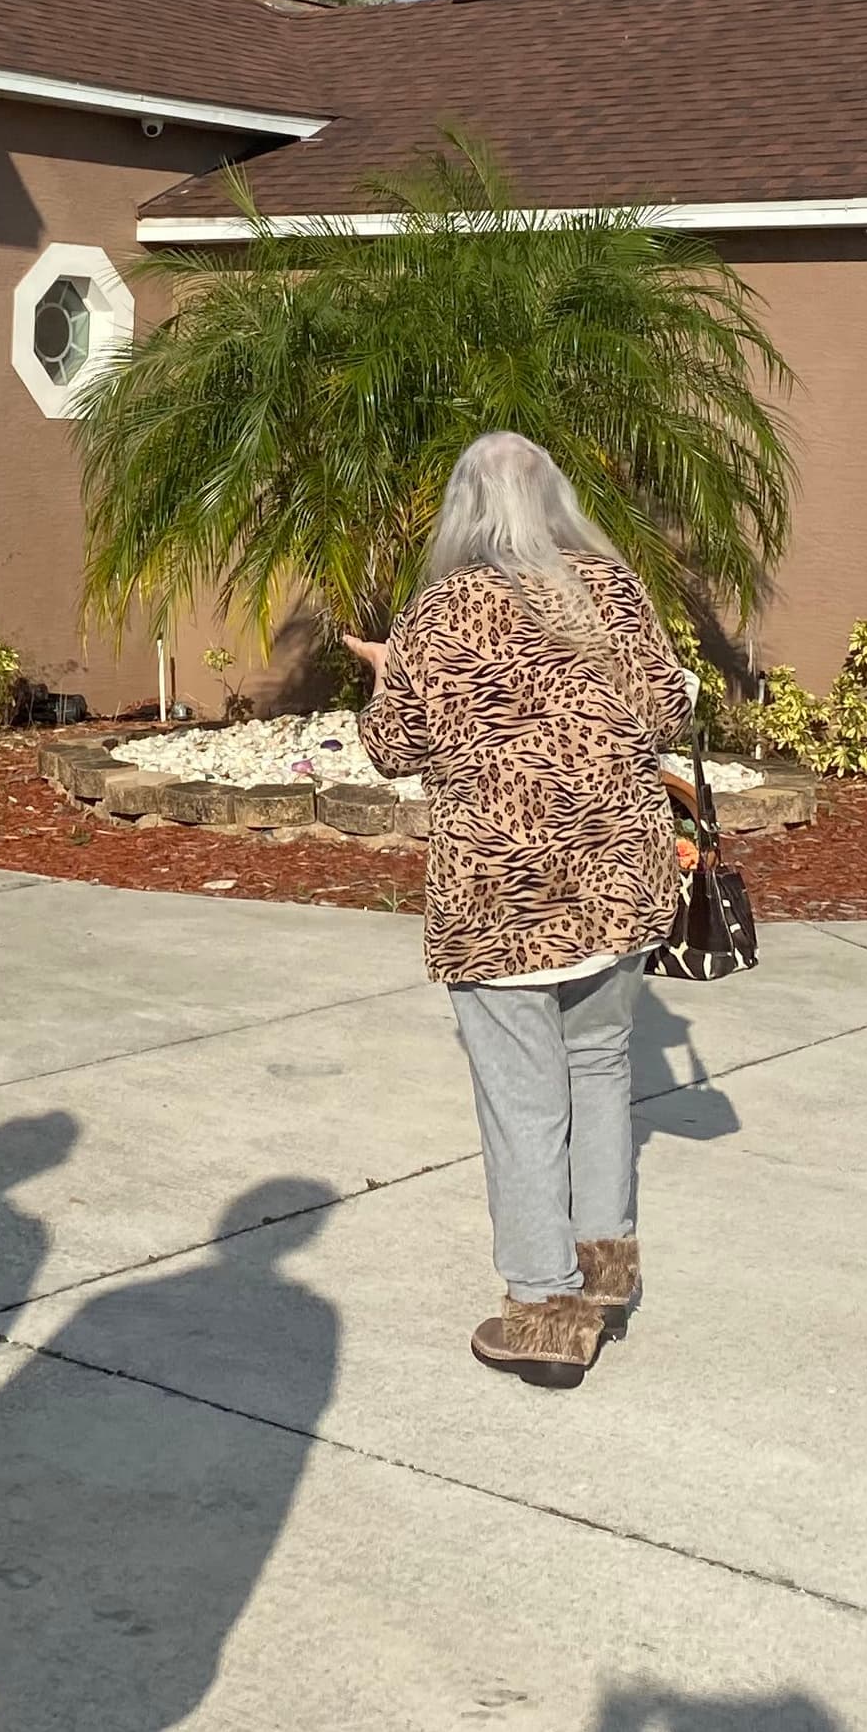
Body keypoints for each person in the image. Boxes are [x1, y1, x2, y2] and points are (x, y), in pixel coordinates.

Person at [347, 433, 696, 1390]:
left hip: (500, 898)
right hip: (617, 881)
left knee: (522, 1100)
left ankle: (545, 1310)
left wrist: (387, 674)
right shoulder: (611, 591)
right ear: (557, 500)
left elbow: (392, 747)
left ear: (461, 506)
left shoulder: (439, 612)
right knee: (600, 1064)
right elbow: (667, 711)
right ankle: (605, 1263)